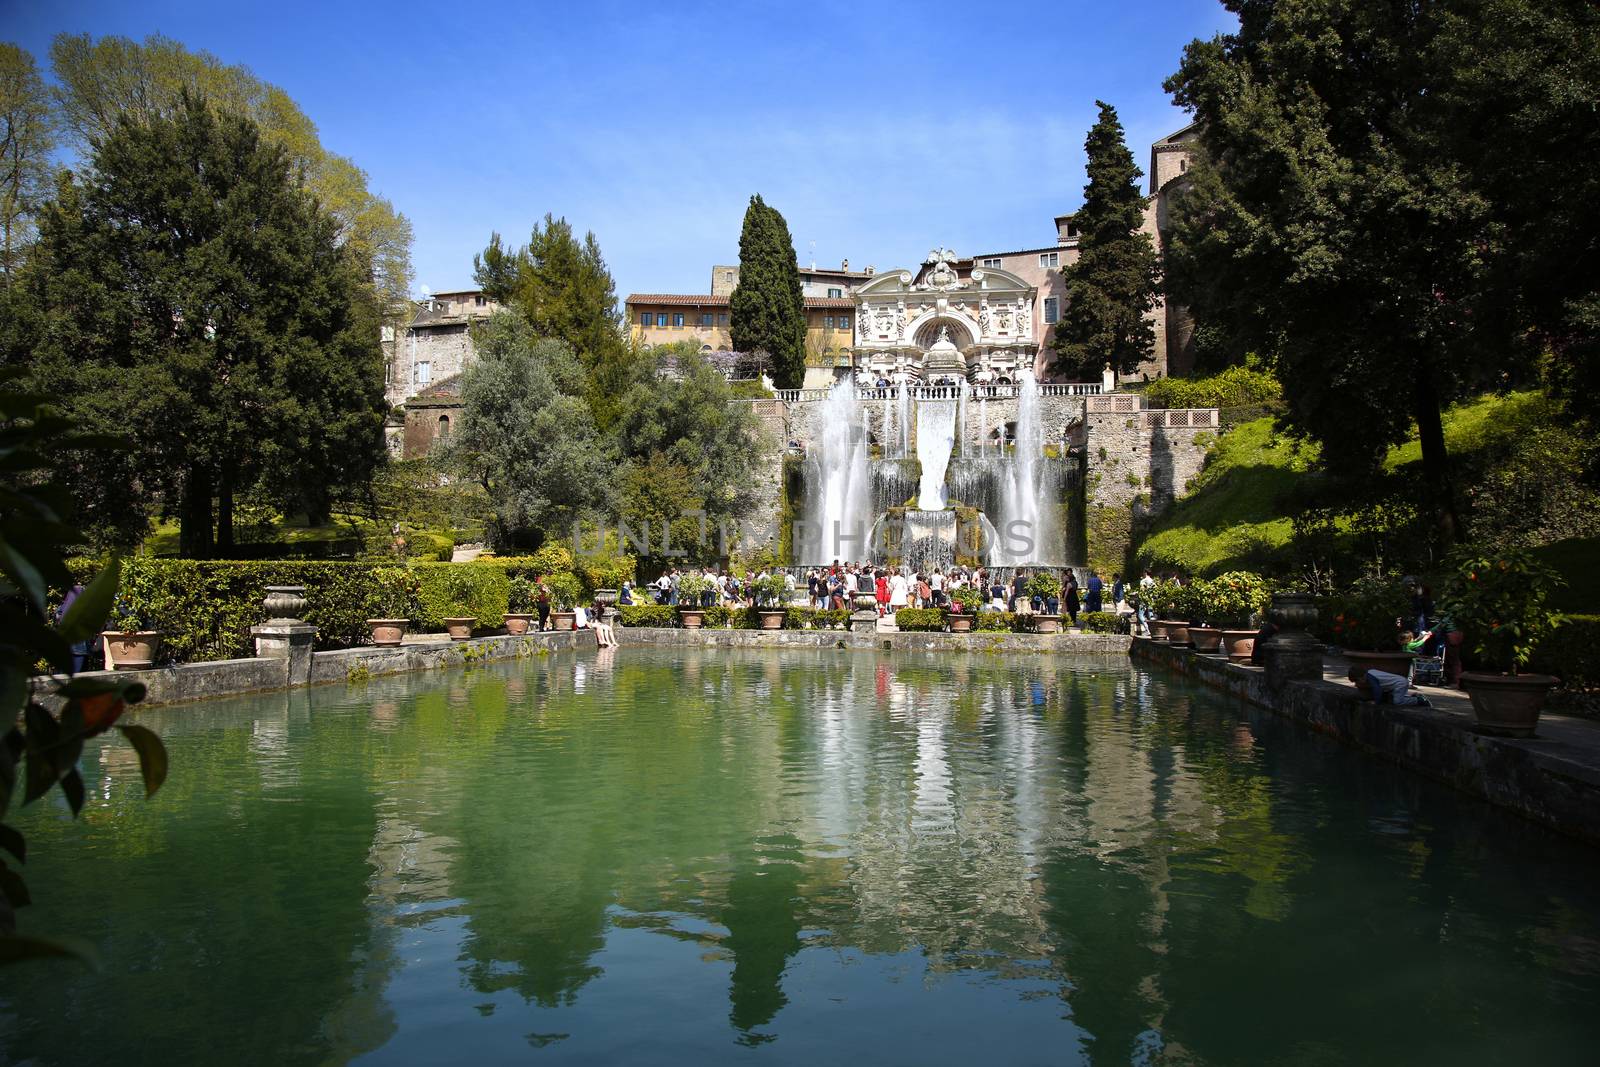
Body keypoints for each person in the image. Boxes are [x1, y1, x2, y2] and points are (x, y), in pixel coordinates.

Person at [1365, 668, 1430, 707]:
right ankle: (1413, 697)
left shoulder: (1370, 677)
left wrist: (1376, 702)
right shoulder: (1371, 671)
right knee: (1392, 699)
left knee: (1398, 702)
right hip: (1398, 683)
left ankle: (1419, 700)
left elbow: (1377, 689)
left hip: (1400, 684)